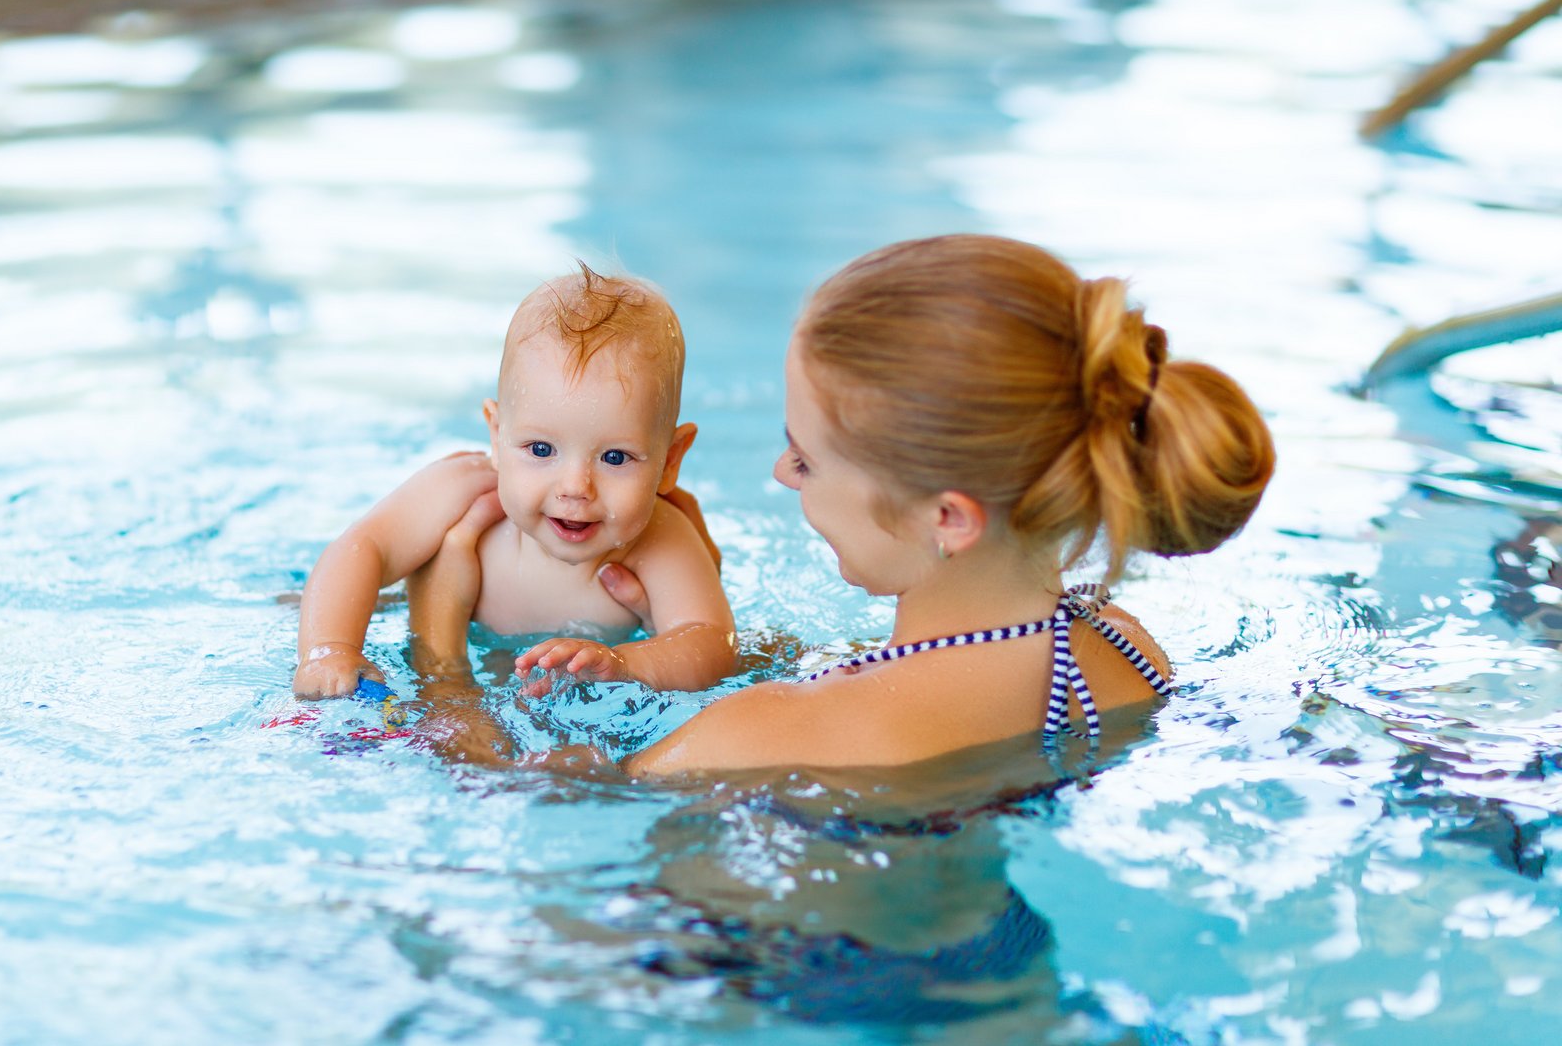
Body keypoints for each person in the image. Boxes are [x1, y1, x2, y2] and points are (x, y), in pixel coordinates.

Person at [419, 235, 1275, 775]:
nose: (784, 475)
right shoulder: (1125, 651)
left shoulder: (755, 739)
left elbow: (514, 786)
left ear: (948, 519)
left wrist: (443, 664)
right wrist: (706, 636)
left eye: (810, 457)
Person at [291, 264, 738, 701]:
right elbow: (361, 547)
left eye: (615, 457)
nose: (576, 487)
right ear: (497, 434)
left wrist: (627, 664)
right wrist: (330, 647)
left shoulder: (661, 540)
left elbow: (712, 643)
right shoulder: (462, 491)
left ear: (669, 461)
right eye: (541, 450)